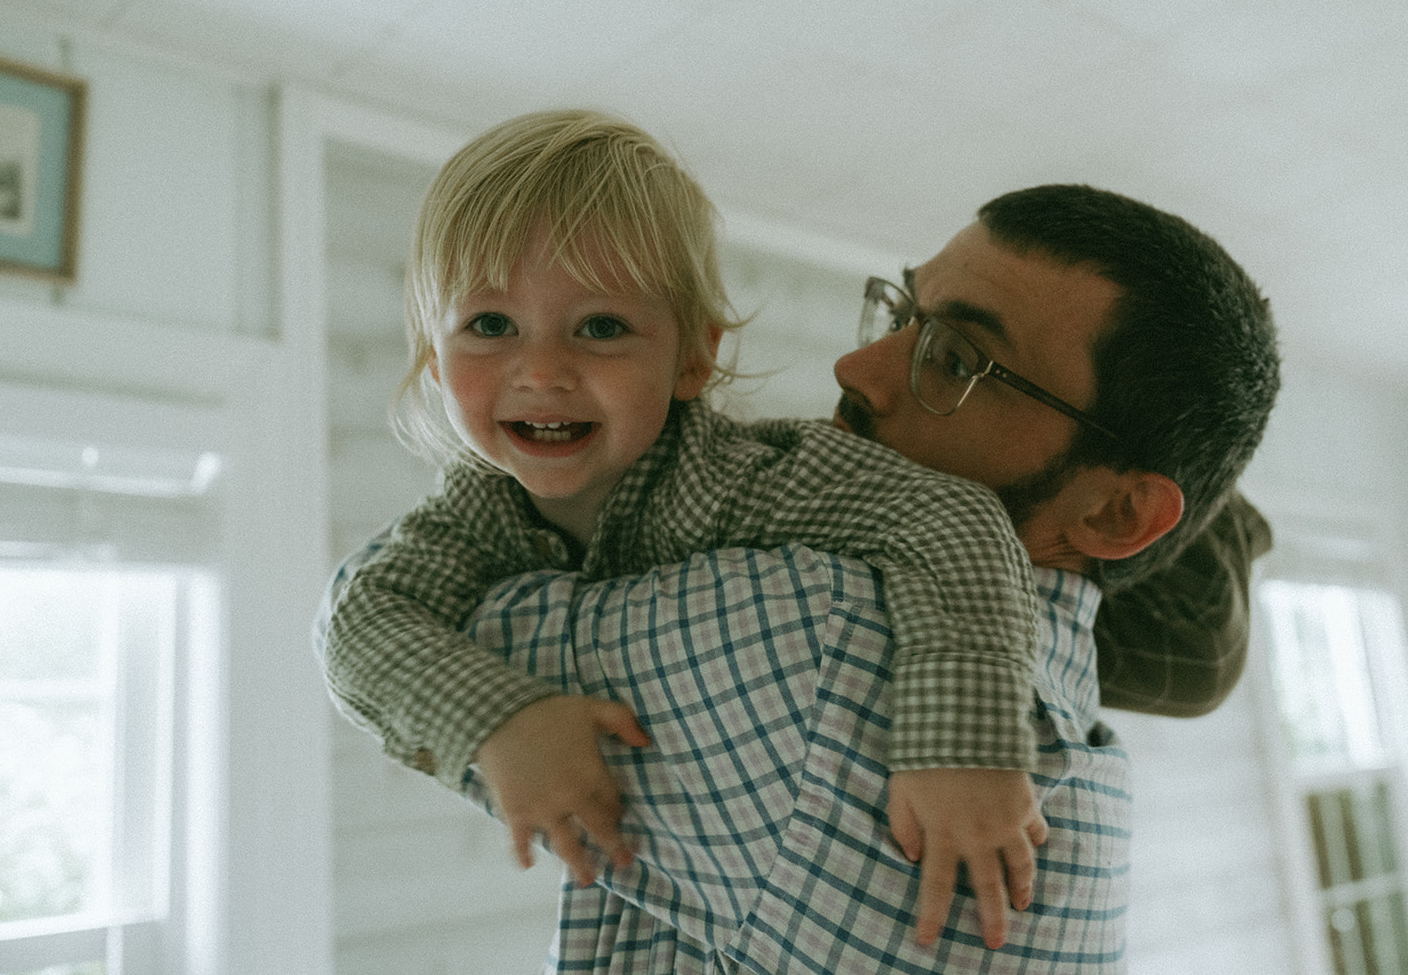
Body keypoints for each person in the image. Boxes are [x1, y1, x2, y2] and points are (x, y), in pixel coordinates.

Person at [320, 110, 1146, 947]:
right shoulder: (471, 515)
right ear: (433, 357)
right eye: (488, 326)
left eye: (600, 326)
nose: (540, 371)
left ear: (691, 357)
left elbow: (947, 514)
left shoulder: (753, 479)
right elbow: (356, 620)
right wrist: (496, 717)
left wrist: (962, 740)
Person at [434, 182, 1281, 972]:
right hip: (1087, 586)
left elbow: (430, 608)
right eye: (901, 311)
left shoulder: (819, 629)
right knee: (1202, 644)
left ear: (1115, 514)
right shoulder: (1082, 739)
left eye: (957, 359)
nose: (856, 367)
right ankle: (1209, 506)